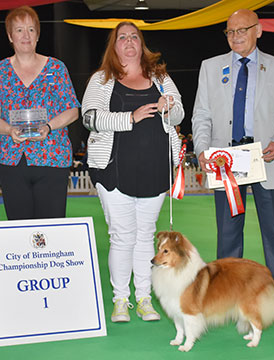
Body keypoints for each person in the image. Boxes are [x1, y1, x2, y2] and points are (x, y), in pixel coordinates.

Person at [192, 9, 274, 322]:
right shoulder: (210, 68)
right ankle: (227, 299)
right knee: (227, 237)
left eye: (242, 30)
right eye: (229, 31)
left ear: (259, 30)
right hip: (227, 163)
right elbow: (202, 115)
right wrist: (201, 148)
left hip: (266, 160)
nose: (235, 36)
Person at [82, 21, 184, 323]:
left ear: (142, 43)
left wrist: (169, 106)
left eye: (134, 37)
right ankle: (120, 300)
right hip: (114, 172)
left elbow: (179, 113)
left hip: (155, 170)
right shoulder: (102, 80)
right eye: (122, 37)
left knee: (145, 237)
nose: (128, 41)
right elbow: (89, 118)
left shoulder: (161, 77)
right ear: (114, 46)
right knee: (122, 237)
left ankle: (144, 298)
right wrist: (130, 117)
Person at [0, 6, 80, 220]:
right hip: (12, 160)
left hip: (52, 159)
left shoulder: (57, 68)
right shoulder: (1, 72)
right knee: (19, 230)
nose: (25, 35)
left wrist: (48, 127)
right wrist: (8, 129)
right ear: (10, 36)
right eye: (19, 30)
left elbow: (72, 110)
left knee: (51, 231)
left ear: (37, 35)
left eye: (31, 30)